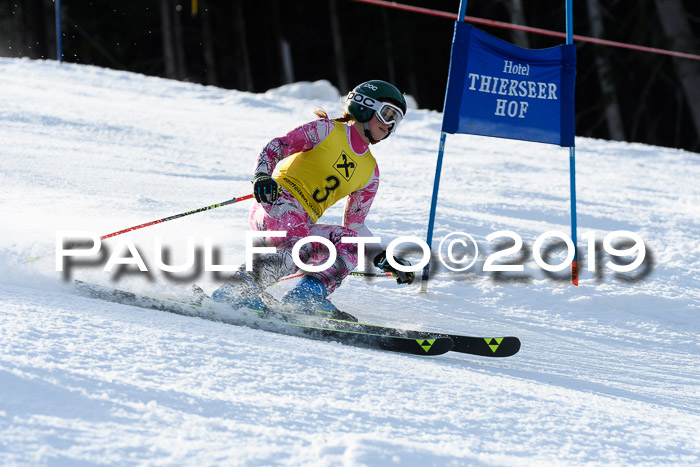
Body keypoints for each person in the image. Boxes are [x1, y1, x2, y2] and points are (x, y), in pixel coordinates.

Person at [212, 80, 415, 315]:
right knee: (299, 242)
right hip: (276, 201)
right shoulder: (326, 130)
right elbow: (277, 146)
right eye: (387, 114)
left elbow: (355, 224)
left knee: (351, 242)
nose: (389, 125)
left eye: (396, 121)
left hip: (302, 221)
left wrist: (383, 257)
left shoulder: (371, 172)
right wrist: (262, 175)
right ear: (364, 106)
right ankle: (235, 292)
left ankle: (305, 298)